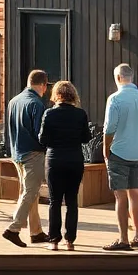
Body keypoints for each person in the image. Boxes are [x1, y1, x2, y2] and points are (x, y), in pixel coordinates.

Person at [102, 63, 138, 251]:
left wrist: (105, 149)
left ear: (118, 78)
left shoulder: (115, 99)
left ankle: (123, 239)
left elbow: (109, 128)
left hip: (119, 151)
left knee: (120, 197)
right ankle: (137, 236)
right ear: (132, 77)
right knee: (135, 194)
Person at [1, 70, 49, 247]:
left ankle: (36, 232)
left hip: (16, 153)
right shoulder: (37, 103)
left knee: (29, 192)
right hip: (33, 153)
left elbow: (8, 129)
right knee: (31, 192)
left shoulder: (14, 101)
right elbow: (40, 134)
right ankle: (13, 229)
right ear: (43, 85)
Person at [39, 80, 88, 250]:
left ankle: (54, 240)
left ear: (56, 95)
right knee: (72, 201)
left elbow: (42, 139)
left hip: (55, 160)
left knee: (55, 201)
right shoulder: (80, 114)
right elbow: (86, 138)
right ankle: (70, 240)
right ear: (73, 95)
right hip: (74, 159)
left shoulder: (49, 114)